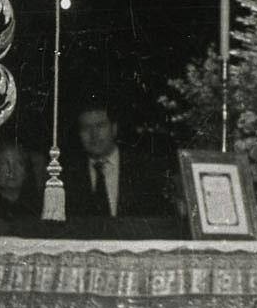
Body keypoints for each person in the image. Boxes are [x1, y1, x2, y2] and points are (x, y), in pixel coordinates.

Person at [60, 101, 175, 237]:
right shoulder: (67, 175)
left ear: (114, 129)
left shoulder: (145, 170)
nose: (94, 135)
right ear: (79, 134)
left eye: (100, 126)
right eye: (86, 128)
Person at [0, 135, 37, 223]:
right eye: (4, 163)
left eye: (19, 163)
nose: (12, 170)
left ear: (26, 171)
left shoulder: (35, 208)